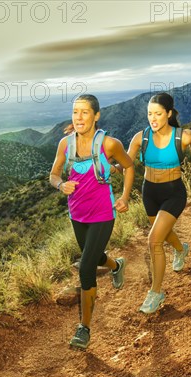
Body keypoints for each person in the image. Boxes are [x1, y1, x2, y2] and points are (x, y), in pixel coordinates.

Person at [50, 94, 135, 350]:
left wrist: (125, 196)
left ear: (96, 116)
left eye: (85, 112)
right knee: (95, 257)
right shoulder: (65, 144)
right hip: (77, 213)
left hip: (103, 214)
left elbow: (129, 166)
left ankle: (84, 328)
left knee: (86, 267)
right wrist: (61, 184)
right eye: (75, 112)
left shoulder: (109, 144)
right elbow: (53, 174)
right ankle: (116, 265)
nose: (79, 117)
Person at [123, 92, 191, 314]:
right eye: (150, 114)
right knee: (162, 233)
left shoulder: (183, 136)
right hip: (149, 191)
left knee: (154, 240)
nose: (153, 118)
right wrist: (105, 167)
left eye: (158, 114)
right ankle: (181, 249)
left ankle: (156, 292)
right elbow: (126, 163)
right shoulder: (139, 138)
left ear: (168, 114)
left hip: (174, 193)